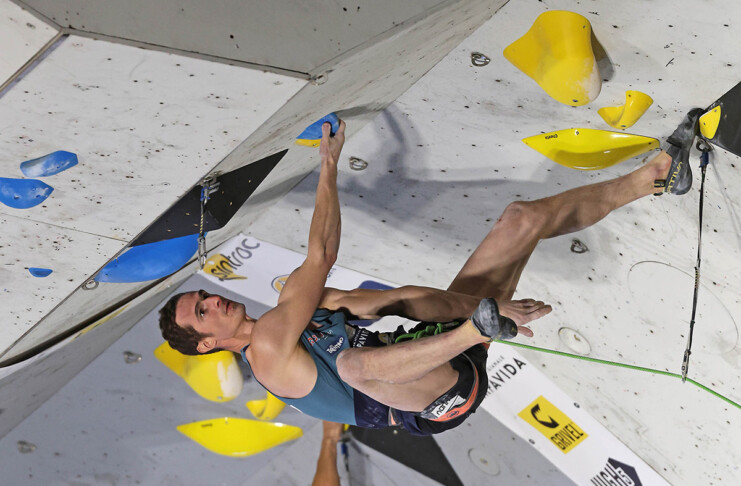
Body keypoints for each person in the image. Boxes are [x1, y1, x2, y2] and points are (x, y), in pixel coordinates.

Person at [158, 108, 700, 435]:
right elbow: (320, 254)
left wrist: (484, 311)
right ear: (208, 344)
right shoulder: (269, 354)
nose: (213, 301)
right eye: (202, 312)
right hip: (435, 403)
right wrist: (327, 164)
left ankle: (655, 177)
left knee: (521, 220)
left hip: (441, 349)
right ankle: (476, 329)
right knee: (352, 365)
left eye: (203, 297)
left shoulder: (299, 309)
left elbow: (403, 299)